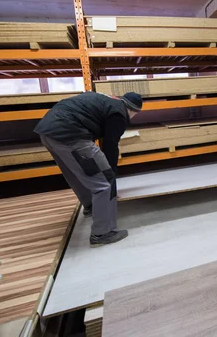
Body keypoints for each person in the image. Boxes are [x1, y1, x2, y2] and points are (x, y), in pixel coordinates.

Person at [34, 91, 142, 247]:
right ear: (133, 110)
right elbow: (110, 147)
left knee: (75, 174)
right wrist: (110, 176)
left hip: (48, 132)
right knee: (104, 182)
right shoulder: (119, 113)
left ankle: (91, 206)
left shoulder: (107, 101)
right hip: (70, 134)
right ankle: (102, 233)